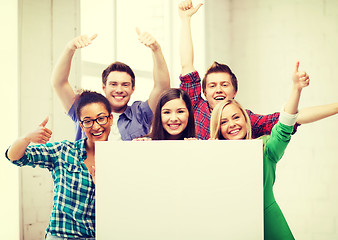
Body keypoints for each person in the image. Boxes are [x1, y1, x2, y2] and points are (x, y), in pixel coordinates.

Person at [178, 0, 338, 140]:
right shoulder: (195, 107)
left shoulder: (245, 119)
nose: (218, 89)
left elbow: (291, 118)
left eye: (224, 84)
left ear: (235, 91)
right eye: (212, 86)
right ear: (204, 93)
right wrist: (185, 20)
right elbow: (186, 65)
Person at [209, 63, 310, 239]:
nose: (232, 124)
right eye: (224, 122)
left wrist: (296, 89)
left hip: (269, 222)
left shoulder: (264, 148)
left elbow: (284, 125)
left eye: (235, 117)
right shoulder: (211, 156)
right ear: (218, 128)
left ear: (246, 120)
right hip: (231, 224)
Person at [5, 90, 113, 239]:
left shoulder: (118, 159)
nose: (96, 127)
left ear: (110, 119)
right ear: (81, 126)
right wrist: (27, 137)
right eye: (88, 121)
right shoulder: (63, 151)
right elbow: (14, 157)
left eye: (101, 118)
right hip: (61, 236)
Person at [51, 29, 170, 141]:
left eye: (125, 85)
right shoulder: (84, 108)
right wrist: (69, 49)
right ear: (104, 87)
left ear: (133, 88)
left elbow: (162, 87)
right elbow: (59, 83)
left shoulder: (140, 114)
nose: (119, 90)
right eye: (113, 84)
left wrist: (156, 49)